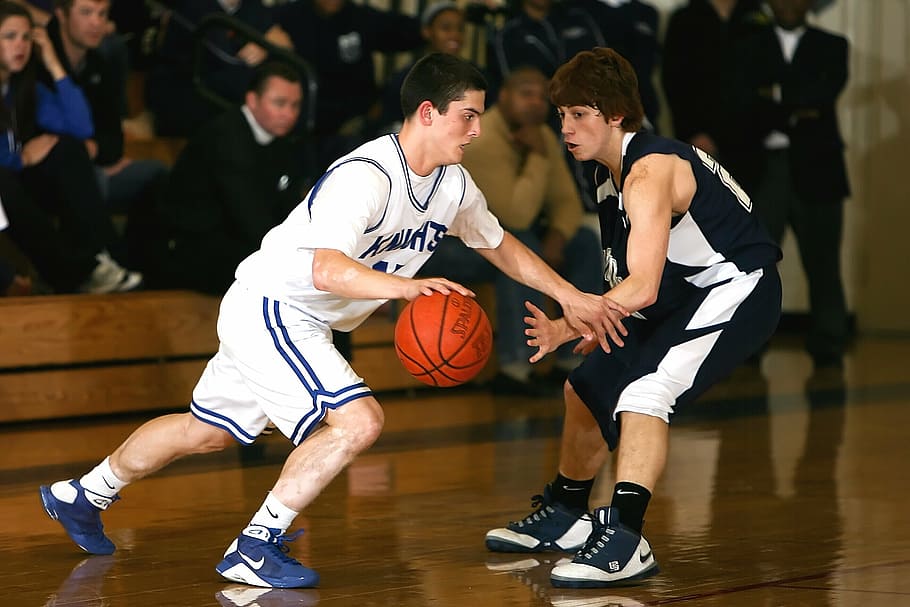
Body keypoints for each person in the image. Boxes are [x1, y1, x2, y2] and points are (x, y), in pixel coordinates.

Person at [39, 52, 626, 589]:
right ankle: (256, 544)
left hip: (291, 317)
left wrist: (569, 295)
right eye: (467, 116)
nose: (476, 130)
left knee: (206, 431)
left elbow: (498, 244)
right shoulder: (366, 175)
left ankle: (82, 494)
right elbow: (325, 268)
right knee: (358, 421)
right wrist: (406, 288)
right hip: (277, 307)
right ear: (428, 112)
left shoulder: (453, 184)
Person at [484, 47, 782, 588]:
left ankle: (625, 538)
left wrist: (572, 321)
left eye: (580, 114)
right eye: (562, 114)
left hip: (735, 289)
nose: (566, 127)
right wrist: (588, 321)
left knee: (645, 393)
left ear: (616, 114)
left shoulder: (648, 171)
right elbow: (630, 279)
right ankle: (566, 512)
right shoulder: (607, 173)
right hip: (675, 295)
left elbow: (640, 287)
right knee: (586, 387)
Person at [422, 65, 602, 396]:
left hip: (503, 234)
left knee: (584, 242)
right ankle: (516, 368)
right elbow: (515, 215)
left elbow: (567, 202)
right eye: (525, 94)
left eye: (541, 97)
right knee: (523, 243)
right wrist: (538, 158)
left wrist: (557, 236)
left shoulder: (542, 135)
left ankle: (574, 361)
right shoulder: (482, 138)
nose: (535, 103)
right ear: (503, 97)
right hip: (452, 243)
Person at [723, 0, 850, 368]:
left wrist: (773, 96)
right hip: (764, 169)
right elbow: (742, 102)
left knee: (823, 262)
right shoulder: (747, 46)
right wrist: (796, 106)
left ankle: (829, 343)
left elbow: (823, 94)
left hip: (819, 170)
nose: (789, 3)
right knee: (755, 264)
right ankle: (750, 344)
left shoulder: (833, 45)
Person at [0, 0, 141, 293]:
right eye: (10, 37)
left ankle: (107, 254)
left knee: (66, 147)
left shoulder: (24, 86)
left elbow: (81, 129)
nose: (20, 46)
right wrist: (20, 160)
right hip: (5, 185)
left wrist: (52, 62)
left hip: (20, 185)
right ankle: (76, 274)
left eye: (26, 37)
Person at [139, 61, 306, 296]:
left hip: (233, 240)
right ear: (252, 100)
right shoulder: (226, 138)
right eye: (279, 103)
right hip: (191, 248)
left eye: (295, 105)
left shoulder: (282, 142)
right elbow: (246, 215)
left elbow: (287, 206)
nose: (289, 114)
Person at [47, 0, 168, 223]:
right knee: (89, 177)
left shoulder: (101, 63)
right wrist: (89, 154)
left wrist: (97, 151)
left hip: (96, 167)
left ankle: (136, 246)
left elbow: (114, 141)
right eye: (86, 12)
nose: (96, 22)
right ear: (61, 15)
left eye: (102, 14)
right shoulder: (40, 61)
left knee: (157, 173)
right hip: (52, 175)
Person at [661, 0, 767, 159]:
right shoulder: (685, 19)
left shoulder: (757, 16)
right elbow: (675, 82)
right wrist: (693, 131)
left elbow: (767, 75)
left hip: (752, 140)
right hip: (699, 141)